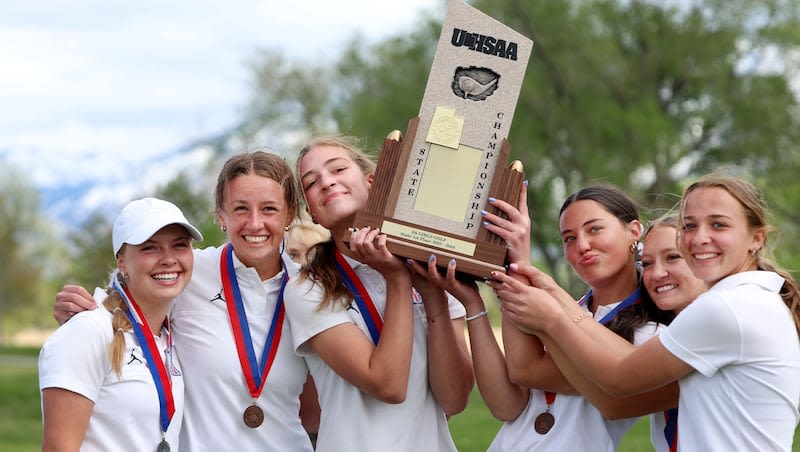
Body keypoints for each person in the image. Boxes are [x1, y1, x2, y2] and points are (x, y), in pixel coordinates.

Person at [492, 174, 800, 450]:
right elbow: (614, 393)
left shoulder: (727, 308)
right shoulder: (745, 300)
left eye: (718, 224)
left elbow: (618, 380)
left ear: (757, 238)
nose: (700, 237)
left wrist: (552, 317)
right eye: (690, 226)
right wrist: (551, 292)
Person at [53, 151, 316, 451]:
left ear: (290, 213)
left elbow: (315, 405)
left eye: (269, 209)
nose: (254, 223)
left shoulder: (310, 289)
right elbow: (125, 306)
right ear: (221, 214)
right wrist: (82, 315)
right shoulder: (188, 271)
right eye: (241, 208)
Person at [285, 135, 474, 451]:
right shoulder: (307, 288)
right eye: (312, 182)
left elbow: (454, 399)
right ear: (313, 213)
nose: (327, 183)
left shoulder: (429, 264)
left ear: (372, 181)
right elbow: (388, 385)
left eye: (338, 170)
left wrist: (432, 293)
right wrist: (398, 280)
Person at [477, 184, 677, 451]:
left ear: (634, 231)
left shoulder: (651, 334)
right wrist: (479, 296)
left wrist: (519, 263)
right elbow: (508, 404)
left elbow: (526, 369)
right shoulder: (565, 309)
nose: (582, 245)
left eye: (594, 229)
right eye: (569, 238)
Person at [39, 197, 203, 451]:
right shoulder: (89, 331)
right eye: (150, 248)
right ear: (122, 261)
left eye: (179, 245)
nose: (168, 259)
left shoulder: (167, 336)